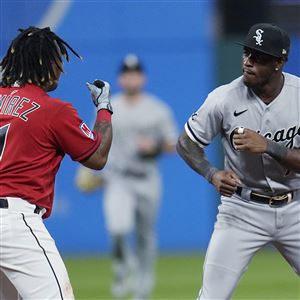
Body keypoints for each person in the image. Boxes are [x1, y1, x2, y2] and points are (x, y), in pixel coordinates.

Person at [177, 23, 300, 300]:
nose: (248, 62)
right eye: (246, 53)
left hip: (295, 207)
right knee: (211, 297)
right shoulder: (223, 98)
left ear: (279, 62)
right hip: (242, 210)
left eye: (259, 56)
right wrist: (211, 173)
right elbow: (186, 143)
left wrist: (268, 146)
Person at [0, 26, 113, 299]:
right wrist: (104, 109)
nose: (60, 70)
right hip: (14, 221)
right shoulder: (53, 110)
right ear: (45, 63)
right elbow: (97, 158)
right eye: (57, 62)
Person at [77, 53, 178, 300]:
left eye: (135, 73)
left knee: (145, 235)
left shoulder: (157, 108)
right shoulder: (111, 106)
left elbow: (172, 144)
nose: (131, 78)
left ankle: (143, 287)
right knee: (118, 229)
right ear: (121, 78)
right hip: (117, 178)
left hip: (146, 177)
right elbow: (95, 139)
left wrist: (153, 145)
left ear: (142, 77)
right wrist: (88, 171)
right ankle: (123, 267)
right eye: (126, 74)